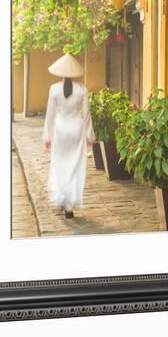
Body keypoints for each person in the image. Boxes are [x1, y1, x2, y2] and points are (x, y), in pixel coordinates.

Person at [42, 54, 96, 218]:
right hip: (76, 129)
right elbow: (86, 115)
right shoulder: (82, 89)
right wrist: (90, 136)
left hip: (60, 129)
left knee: (59, 165)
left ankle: (61, 198)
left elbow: (50, 115)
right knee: (75, 166)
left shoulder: (54, 89)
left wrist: (47, 136)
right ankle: (69, 206)